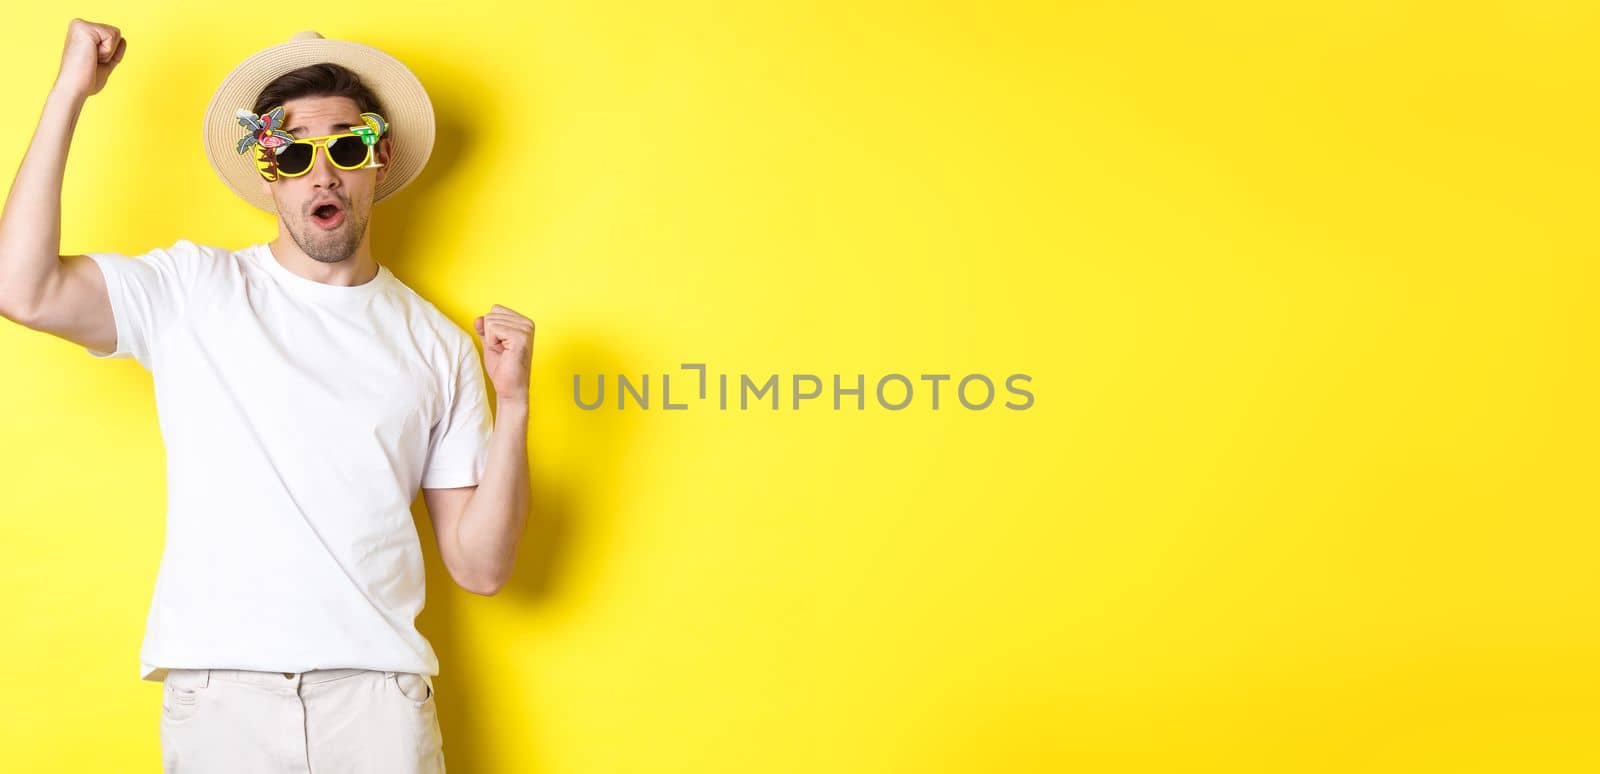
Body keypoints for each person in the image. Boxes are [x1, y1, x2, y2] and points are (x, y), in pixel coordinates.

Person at [0, 20, 535, 773]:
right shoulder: (193, 289)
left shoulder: (437, 345)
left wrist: (512, 407)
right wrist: (69, 93)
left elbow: (480, 567)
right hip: (222, 701)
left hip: (379, 703)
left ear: (377, 162)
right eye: (293, 152)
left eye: (346, 148)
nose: (323, 175)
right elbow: (23, 290)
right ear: (267, 172)